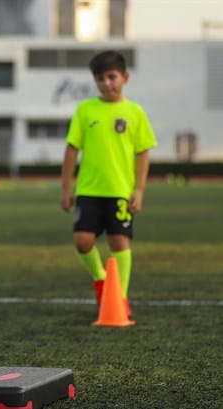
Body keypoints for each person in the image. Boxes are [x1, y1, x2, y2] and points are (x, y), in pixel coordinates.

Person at [60, 50, 157, 318]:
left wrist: (139, 190)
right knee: (82, 242)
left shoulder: (135, 112)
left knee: (119, 243)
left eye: (112, 77)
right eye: (100, 78)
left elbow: (143, 152)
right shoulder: (85, 110)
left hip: (120, 192)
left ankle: (120, 299)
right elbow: (71, 149)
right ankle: (101, 278)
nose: (107, 83)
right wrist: (66, 188)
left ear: (124, 77)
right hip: (89, 190)